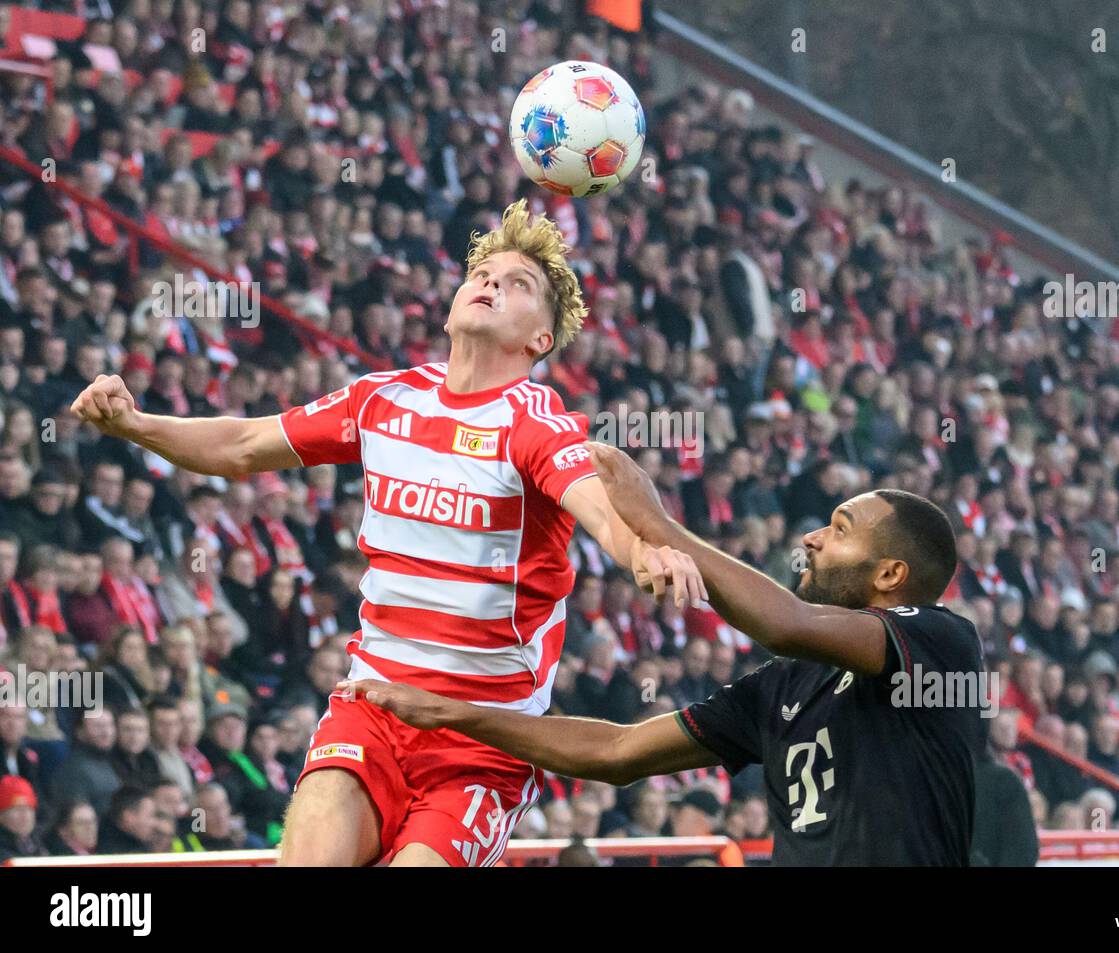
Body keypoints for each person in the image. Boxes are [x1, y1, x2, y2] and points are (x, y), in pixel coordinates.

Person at [71, 200, 705, 867]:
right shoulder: (384, 400)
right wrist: (137, 425)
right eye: (483, 272)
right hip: (369, 708)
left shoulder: (537, 424)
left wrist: (642, 552)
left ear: (539, 340)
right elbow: (245, 443)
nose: (490, 283)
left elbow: (597, 504)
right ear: (452, 301)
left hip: (482, 742)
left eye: (518, 284)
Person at [345, 444, 987, 865]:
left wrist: (656, 523)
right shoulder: (780, 687)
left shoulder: (940, 641)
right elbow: (616, 753)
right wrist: (453, 711)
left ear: (890, 574)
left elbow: (784, 623)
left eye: (841, 529)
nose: (814, 538)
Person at [0, 774, 44, 862]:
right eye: (17, 810)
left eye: (29, 809)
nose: (25, 816)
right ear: (1, 815)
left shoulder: (38, 844)